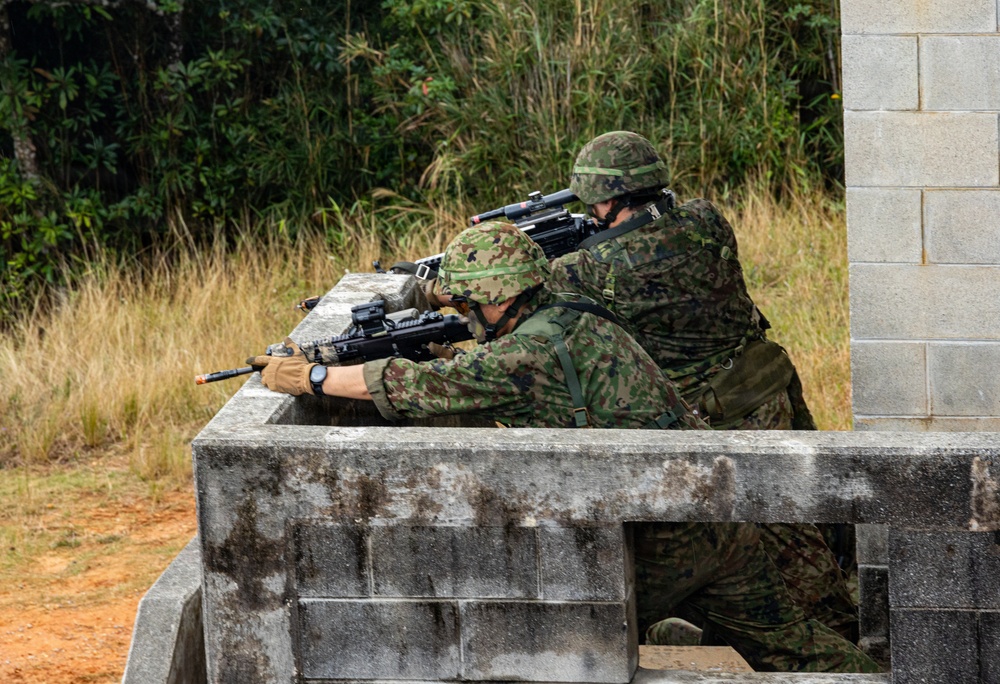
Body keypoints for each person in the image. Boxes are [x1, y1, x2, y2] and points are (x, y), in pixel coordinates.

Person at [252, 220, 877, 673]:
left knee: (555, 640)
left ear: (499, 297)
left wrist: (308, 376)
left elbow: (420, 386)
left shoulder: (529, 352)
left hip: (657, 540)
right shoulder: (581, 314)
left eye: (471, 303)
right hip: (713, 519)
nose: (466, 314)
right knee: (792, 644)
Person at [552, 130, 861, 645]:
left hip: (724, 417)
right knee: (808, 519)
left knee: (782, 540)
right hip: (770, 383)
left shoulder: (586, 268)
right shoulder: (706, 218)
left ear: (607, 199)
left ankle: (844, 644)